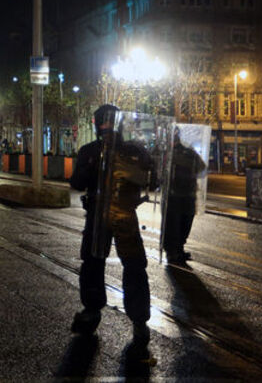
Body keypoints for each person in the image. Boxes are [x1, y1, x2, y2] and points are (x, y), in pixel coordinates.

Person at [69, 104, 154, 346]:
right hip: (122, 215)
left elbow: (76, 182)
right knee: (132, 266)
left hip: (100, 215)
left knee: (95, 263)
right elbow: (152, 180)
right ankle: (138, 321)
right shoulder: (134, 151)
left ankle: (94, 311)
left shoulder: (91, 150)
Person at [163, 132, 206, 264]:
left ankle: (173, 251)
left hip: (175, 195)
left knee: (173, 225)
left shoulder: (168, 154)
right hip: (187, 194)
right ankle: (177, 249)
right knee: (183, 224)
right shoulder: (190, 153)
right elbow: (202, 168)